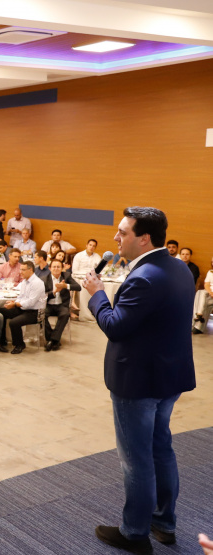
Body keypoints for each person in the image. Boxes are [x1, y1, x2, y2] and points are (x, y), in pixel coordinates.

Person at [82, 207, 195, 554]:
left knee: (137, 458)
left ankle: (134, 533)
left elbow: (115, 325)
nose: (116, 238)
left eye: (123, 232)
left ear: (144, 238)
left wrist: (97, 294)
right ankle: (164, 523)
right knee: (161, 448)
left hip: (139, 380)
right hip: (168, 375)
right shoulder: (178, 268)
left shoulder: (144, 276)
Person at [0, 261, 47, 354]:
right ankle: (1, 340)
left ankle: (19, 344)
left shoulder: (37, 283)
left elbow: (31, 302)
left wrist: (15, 304)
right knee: (0, 312)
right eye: (20, 269)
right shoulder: (24, 281)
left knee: (14, 323)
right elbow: (21, 297)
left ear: (30, 270)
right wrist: (14, 302)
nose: (20, 272)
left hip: (34, 312)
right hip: (23, 308)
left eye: (23, 270)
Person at [41, 259, 81, 351]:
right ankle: (53, 339)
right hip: (48, 304)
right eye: (54, 267)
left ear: (62, 268)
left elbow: (78, 287)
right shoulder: (44, 279)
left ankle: (52, 340)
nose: (56, 269)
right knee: (41, 315)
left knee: (65, 314)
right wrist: (54, 292)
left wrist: (65, 286)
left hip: (61, 305)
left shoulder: (66, 276)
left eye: (58, 267)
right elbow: (42, 296)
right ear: (50, 268)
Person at [192, 256, 213, 334]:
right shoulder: (210, 272)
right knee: (200, 293)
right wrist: (211, 292)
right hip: (209, 294)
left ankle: (197, 323)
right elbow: (206, 284)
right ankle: (199, 315)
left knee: (202, 300)